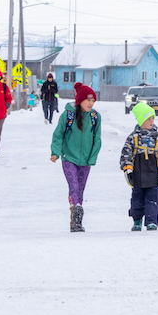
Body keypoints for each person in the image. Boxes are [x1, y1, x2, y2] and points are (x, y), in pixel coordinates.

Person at [50, 82, 102, 233]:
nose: (91, 103)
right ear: (80, 101)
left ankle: (76, 221)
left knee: (81, 189)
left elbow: (97, 139)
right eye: (88, 100)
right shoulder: (68, 115)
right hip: (69, 158)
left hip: (85, 160)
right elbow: (58, 135)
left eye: (93, 101)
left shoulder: (95, 117)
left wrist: (92, 158)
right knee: (74, 186)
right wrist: (55, 152)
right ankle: (76, 212)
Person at [120, 102, 158, 231]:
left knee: (153, 200)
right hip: (137, 176)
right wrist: (128, 169)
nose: (151, 121)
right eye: (148, 118)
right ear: (140, 120)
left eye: (152, 118)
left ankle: (152, 221)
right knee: (137, 200)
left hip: (154, 176)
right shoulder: (133, 138)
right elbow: (126, 154)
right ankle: (137, 220)